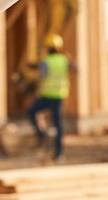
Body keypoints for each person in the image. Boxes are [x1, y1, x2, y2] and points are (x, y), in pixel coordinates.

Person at [26, 33, 74, 161]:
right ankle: (59, 153)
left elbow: (42, 75)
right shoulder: (64, 60)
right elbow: (75, 69)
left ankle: (41, 135)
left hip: (46, 96)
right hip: (59, 97)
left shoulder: (46, 61)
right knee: (58, 125)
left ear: (48, 47)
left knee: (31, 112)